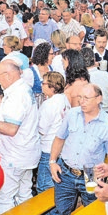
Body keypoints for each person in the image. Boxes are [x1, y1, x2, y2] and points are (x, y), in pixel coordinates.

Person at [47, 83, 108, 215]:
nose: (81, 101)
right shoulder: (72, 114)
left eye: (86, 98)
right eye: (80, 97)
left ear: (99, 99)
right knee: (60, 211)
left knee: (91, 212)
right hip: (66, 171)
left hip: (91, 174)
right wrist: (52, 162)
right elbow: (59, 138)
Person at [0, 60, 41, 215]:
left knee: (5, 199)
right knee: (24, 196)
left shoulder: (17, 95)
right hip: (25, 154)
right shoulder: (21, 88)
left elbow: (11, 129)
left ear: (8, 75)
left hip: (14, 157)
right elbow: (6, 111)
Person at [36, 72, 69, 206]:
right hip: (61, 148)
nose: (41, 86)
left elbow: (41, 129)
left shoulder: (49, 104)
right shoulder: (64, 99)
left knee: (44, 187)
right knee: (57, 185)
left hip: (48, 149)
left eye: (43, 83)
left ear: (52, 87)